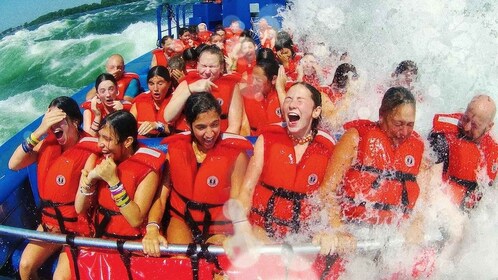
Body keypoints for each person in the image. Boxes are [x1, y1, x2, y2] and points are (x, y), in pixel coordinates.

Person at [227, 82, 353, 278]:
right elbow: (247, 190)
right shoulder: (267, 138)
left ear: (316, 111)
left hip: (303, 236)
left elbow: (328, 196)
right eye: (289, 99)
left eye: (300, 100)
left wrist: (334, 231)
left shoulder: (328, 148)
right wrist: (242, 228)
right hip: (264, 231)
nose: (292, 104)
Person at [322, 87, 428, 277]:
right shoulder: (355, 138)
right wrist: (338, 229)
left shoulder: (418, 147)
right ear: (382, 115)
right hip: (353, 231)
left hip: (391, 237)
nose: (404, 132)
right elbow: (326, 192)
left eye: (410, 124)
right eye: (398, 123)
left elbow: (423, 199)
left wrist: (417, 223)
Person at [142, 92, 251, 256]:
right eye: (201, 127)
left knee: (215, 260)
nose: (209, 133)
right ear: (188, 124)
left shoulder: (236, 154)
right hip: (182, 219)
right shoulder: (175, 149)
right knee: (180, 260)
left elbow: (238, 200)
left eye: (214, 124)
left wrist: (237, 234)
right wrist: (152, 228)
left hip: (219, 225)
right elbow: (161, 197)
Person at [8, 96, 97, 280]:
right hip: (50, 224)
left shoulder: (91, 151)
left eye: (59, 119)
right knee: (25, 265)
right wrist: (39, 130)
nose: (53, 125)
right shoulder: (47, 145)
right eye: (50, 119)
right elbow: (13, 164)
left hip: (78, 229)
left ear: (75, 121)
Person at [73, 111, 165, 278]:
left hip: (132, 246)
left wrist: (114, 182)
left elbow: (135, 218)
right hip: (99, 240)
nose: (100, 144)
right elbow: (79, 208)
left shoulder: (147, 170)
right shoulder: (95, 159)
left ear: (128, 141)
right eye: (100, 137)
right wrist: (91, 179)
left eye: (107, 139)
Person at [429, 94, 497, 211]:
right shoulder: (443, 138)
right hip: (441, 208)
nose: (466, 127)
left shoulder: (493, 152)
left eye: (475, 125)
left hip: (469, 214)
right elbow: (429, 183)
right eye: (466, 118)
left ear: (489, 127)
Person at [164, 45, 243, 134]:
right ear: (197, 65)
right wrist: (190, 89)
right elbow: (168, 117)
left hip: (218, 138)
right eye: (204, 66)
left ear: (221, 67)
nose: (207, 71)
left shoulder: (231, 86)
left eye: (212, 67)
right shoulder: (187, 82)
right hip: (186, 137)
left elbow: (235, 125)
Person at [240, 58, 283, 136]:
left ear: (273, 79)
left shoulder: (285, 95)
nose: (253, 83)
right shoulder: (245, 95)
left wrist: (281, 89)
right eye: (252, 78)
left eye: (258, 80)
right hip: (254, 140)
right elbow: (244, 127)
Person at [130, 66, 173, 137]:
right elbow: (127, 130)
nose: (155, 88)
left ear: (169, 84)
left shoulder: (177, 102)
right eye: (151, 84)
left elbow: (183, 132)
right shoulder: (139, 103)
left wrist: (158, 126)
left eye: (160, 84)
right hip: (143, 145)